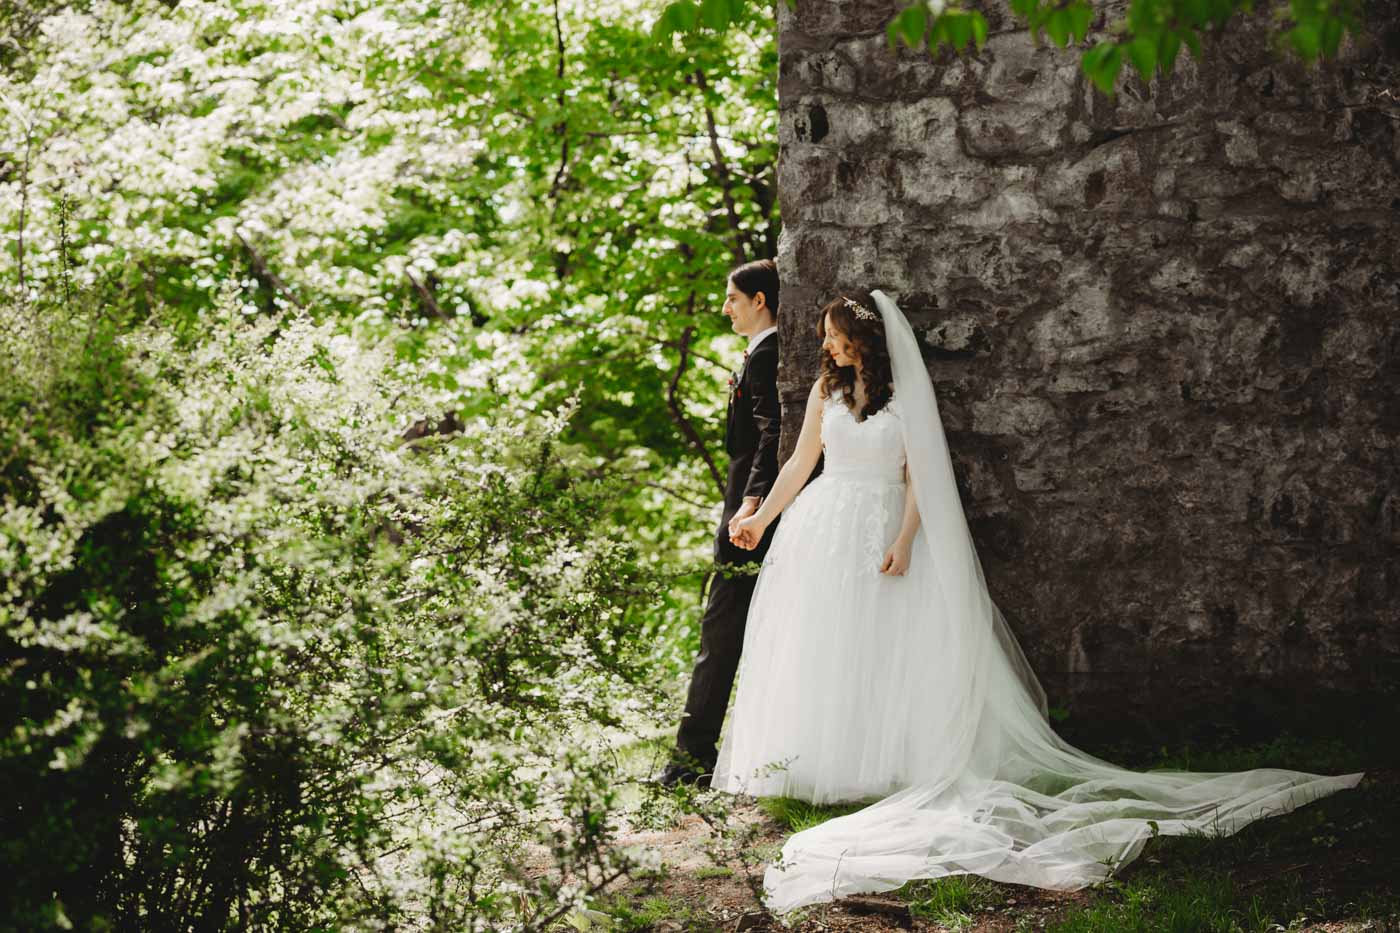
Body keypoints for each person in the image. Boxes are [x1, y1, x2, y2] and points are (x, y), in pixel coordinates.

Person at [714, 288, 1365, 913]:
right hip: (827, 527)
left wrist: (907, 538)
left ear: (864, 338)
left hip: (884, 523)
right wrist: (764, 518)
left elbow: (920, 475)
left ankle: (883, 765)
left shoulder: (902, 395)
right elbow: (801, 462)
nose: (827, 345)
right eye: (826, 336)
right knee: (831, 647)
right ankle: (823, 766)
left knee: (885, 649)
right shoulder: (826, 392)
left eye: (836, 334)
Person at [656, 258, 783, 789]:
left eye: (732, 297)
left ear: (759, 300)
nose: (725, 307)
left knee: (721, 630)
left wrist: (750, 502)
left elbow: (770, 432)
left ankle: (691, 762)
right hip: (745, 503)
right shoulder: (761, 353)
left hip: (747, 512)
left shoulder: (768, 355)